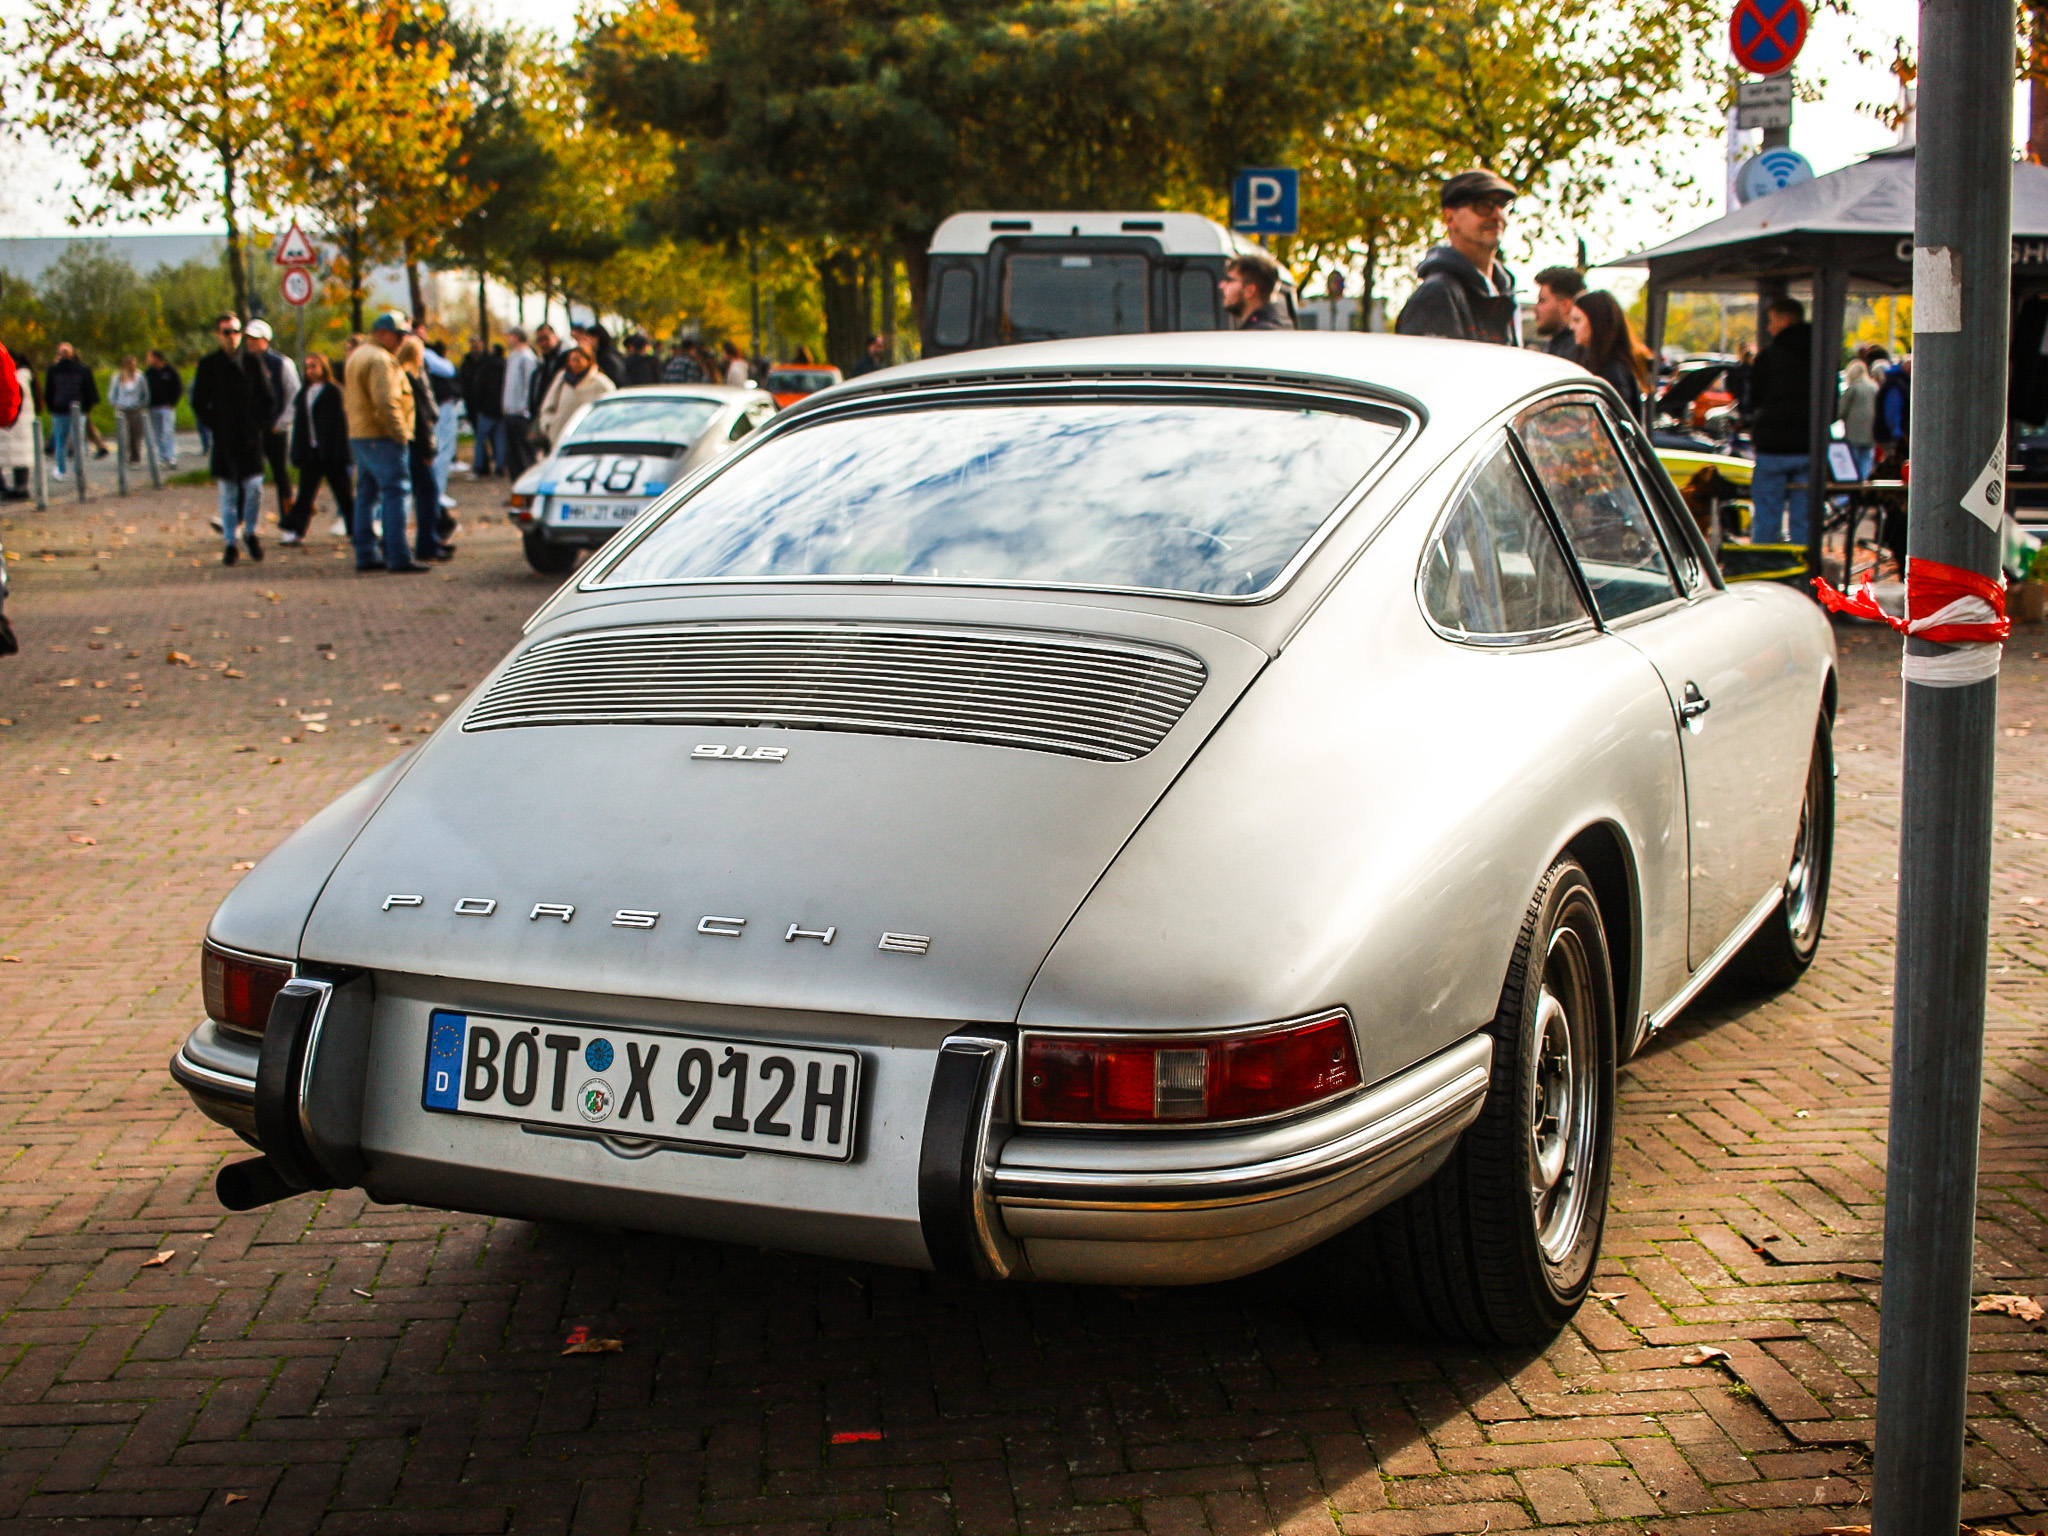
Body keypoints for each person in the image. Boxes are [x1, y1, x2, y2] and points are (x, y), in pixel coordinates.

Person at [1395, 170, 1520, 346]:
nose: (1497, 215)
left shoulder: (1504, 290)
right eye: (1483, 206)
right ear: (1449, 218)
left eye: (1503, 205)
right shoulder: (1437, 296)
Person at [344, 311, 427, 573]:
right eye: (399, 335)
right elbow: (385, 401)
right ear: (383, 334)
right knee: (396, 493)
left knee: (366, 495)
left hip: (361, 435)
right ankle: (398, 555)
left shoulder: (359, 354)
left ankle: (366, 552)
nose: (403, 340)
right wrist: (400, 433)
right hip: (382, 437)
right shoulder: (381, 360)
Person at [189, 313, 274, 566]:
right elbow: (198, 401)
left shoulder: (252, 362)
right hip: (225, 438)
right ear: (218, 335)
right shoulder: (209, 364)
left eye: (236, 331)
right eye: (227, 332)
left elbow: (267, 397)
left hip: (250, 437)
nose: (233, 337)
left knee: (255, 487)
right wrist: (215, 423)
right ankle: (230, 542)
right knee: (228, 492)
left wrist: (258, 423)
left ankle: (250, 532)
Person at [1746, 296, 1813, 544]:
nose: (1769, 327)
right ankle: (1805, 573)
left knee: (1766, 516)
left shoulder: (1770, 356)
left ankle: (1766, 569)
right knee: (1804, 519)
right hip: (1808, 445)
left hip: (1773, 447)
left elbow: (1753, 399)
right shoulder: (1820, 354)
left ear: (1784, 319)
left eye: (1772, 320)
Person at [281, 352, 351, 544]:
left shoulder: (333, 391)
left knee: (343, 493)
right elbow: (301, 426)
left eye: (314, 366)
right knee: (305, 493)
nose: (310, 371)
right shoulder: (304, 393)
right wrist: (298, 452)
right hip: (311, 453)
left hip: (331, 452)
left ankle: (357, 530)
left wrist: (340, 451)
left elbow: (340, 424)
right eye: (307, 367)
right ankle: (296, 529)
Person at [396, 336, 451, 562]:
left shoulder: (402, 376)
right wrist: (428, 450)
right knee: (427, 492)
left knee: (420, 493)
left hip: (410, 443)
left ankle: (429, 540)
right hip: (418, 445)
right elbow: (422, 417)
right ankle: (427, 543)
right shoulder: (414, 378)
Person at [241, 320, 299, 524]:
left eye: (256, 339)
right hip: (251, 430)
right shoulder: (242, 362)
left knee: (281, 475)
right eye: (248, 339)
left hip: (274, 429)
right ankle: (240, 520)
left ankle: (289, 519)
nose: (251, 343)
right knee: (244, 475)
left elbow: (294, 395)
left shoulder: (281, 363)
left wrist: (281, 423)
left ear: (266, 339)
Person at [1567, 290, 1652, 422]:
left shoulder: (1613, 371)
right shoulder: (1604, 363)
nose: (1571, 327)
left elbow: (1618, 424)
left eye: (1577, 320)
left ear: (1597, 323)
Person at [536, 344, 617, 449]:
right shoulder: (562, 379)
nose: (574, 363)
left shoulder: (601, 383)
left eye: (578, 360)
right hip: (559, 438)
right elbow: (548, 406)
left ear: (588, 360)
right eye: (572, 360)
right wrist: (549, 425)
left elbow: (612, 412)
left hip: (589, 440)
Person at [44, 343, 100, 477]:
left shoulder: (53, 370)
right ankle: (78, 469)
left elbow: (49, 391)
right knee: (78, 441)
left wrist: (52, 407)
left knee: (60, 440)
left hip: (59, 410)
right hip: (78, 410)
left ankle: (61, 469)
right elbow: (90, 391)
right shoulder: (82, 369)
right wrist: (86, 408)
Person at [499, 327, 539, 482]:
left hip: (521, 413)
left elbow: (529, 385)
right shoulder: (513, 356)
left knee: (523, 454)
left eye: (510, 336)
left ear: (517, 337)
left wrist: (525, 408)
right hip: (510, 411)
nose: (508, 339)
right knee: (512, 455)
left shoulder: (527, 357)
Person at [1220, 251, 1291, 330]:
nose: (1222, 285)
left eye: (1229, 280)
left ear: (1250, 290)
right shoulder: (1276, 325)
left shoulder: (1259, 333)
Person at [1531, 266, 1586, 361]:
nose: (1535, 308)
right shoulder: (1562, 345)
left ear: (1565, 305)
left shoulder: (1575, 353)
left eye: (1542, 301)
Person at [466, 342, 504, 475]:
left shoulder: (485, 368)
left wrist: (479, 406)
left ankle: (479, 466)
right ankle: (500, 466)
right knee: (499, 440)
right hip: (500, 409)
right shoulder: (505, 367)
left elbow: (478, 389)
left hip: (486, 410)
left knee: (480, 440)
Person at [1837, 358, 1878, 481]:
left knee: (1853, 458)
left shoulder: (1852, 388)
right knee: (1866, 457)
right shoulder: (1873, 387)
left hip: (1854, 429)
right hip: (1871, 428)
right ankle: (1864, 482)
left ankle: (1854, 485)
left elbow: (1841, 410)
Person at [0, 341, 30, 502]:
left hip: (13, 423)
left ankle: (18, 487)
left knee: (16, 457)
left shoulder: (18, 377)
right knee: (19, 458)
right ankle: (20, 486)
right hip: (16, 422)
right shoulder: (23, 376)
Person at [144, 350, 181, 470]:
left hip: (166, 407)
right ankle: (162, 456)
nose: (148, 359)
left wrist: (172, 402)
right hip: (153, 407)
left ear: (156, 358)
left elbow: (177, 387)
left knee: (168, 432)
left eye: (150, 357)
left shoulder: (169, 371)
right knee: (157, 433)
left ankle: (171, 457)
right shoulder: (148, 373)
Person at [109, 356, 149, 463]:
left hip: (135, 409)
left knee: (135, 435)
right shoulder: (118, 377)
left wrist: (140, 404)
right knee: (123, 434)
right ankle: (123, 456)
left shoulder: (140, 376)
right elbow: (112, 394)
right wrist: (117, 404)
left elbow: (145, 394)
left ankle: (135, 457)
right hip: (122, 409)